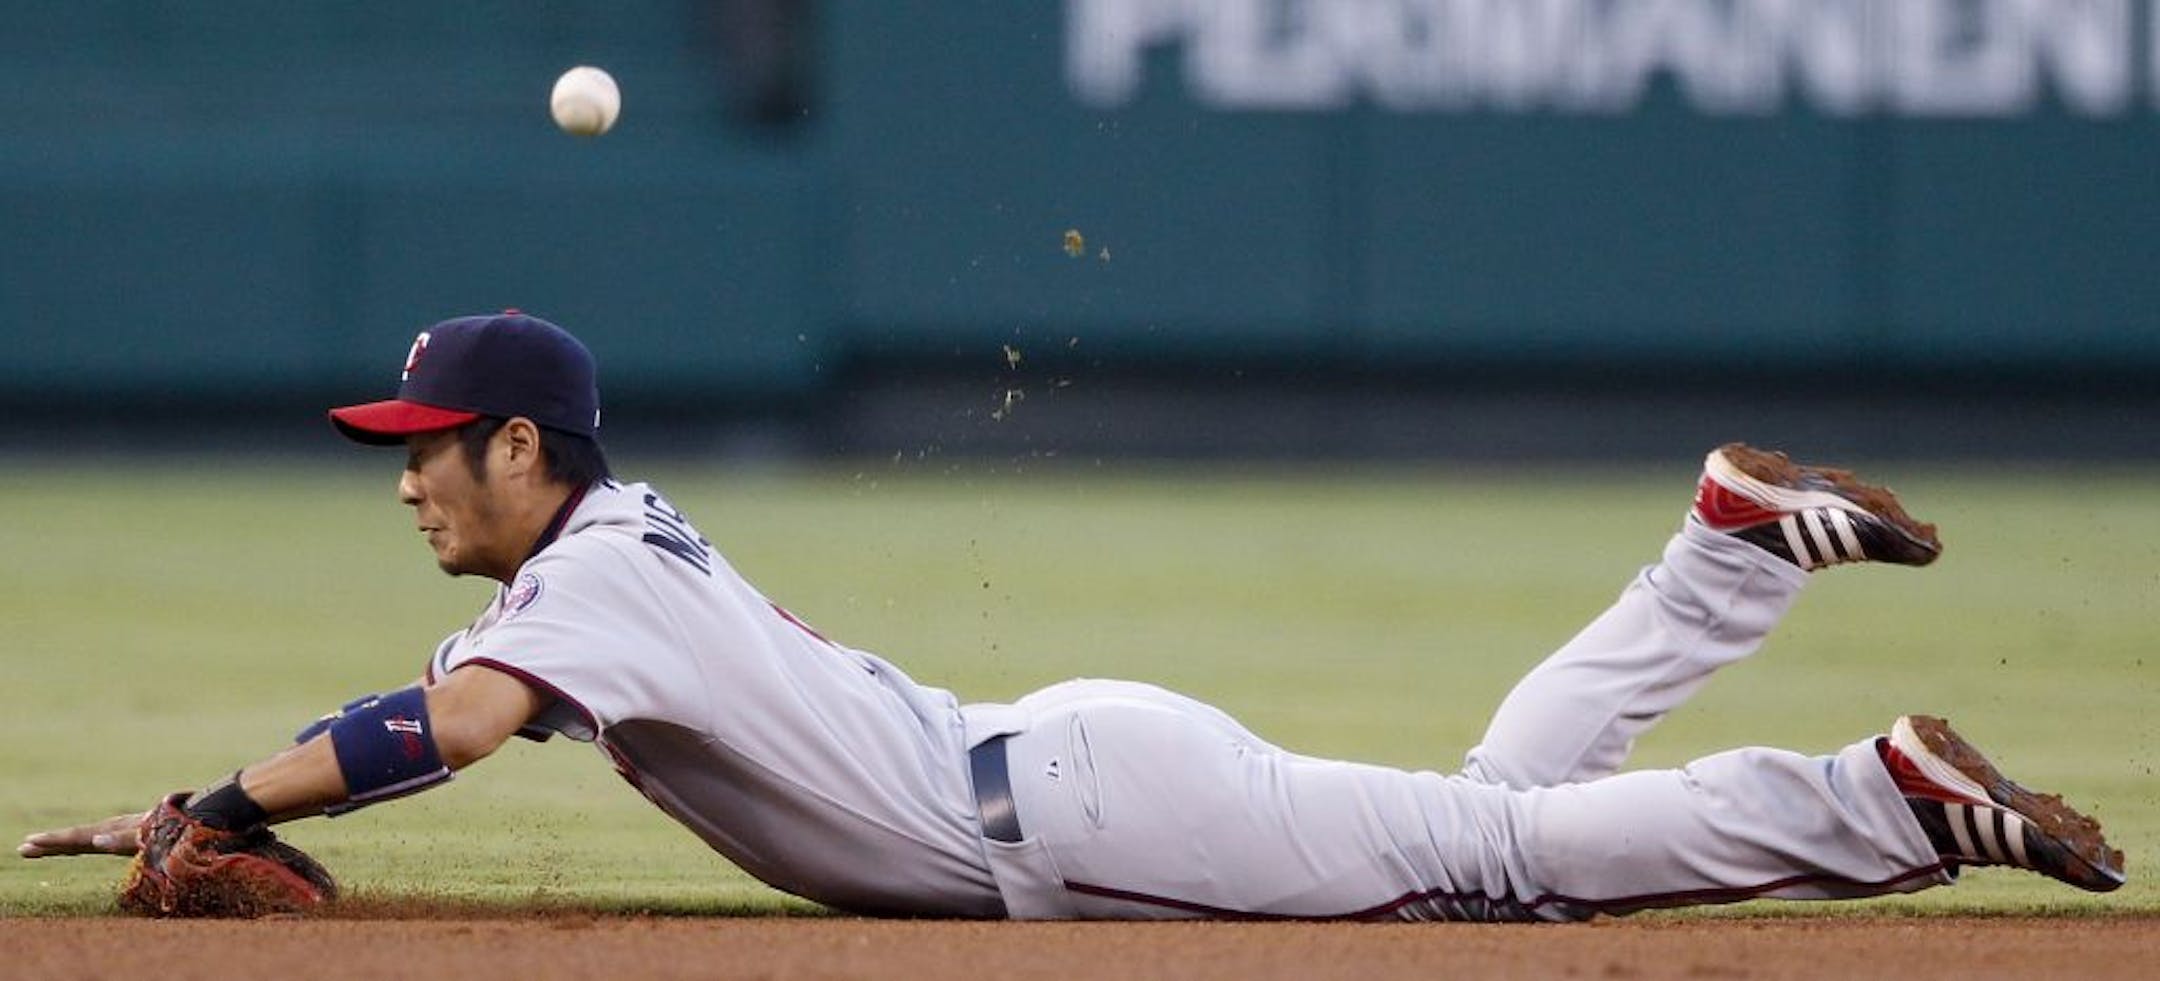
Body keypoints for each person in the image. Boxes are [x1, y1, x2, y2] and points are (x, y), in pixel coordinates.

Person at [19, 312, 2125, 920]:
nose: (400, 475)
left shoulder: (583, 591)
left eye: (424, 443)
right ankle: (1732, 554)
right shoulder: (612, 551)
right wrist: (222, 795)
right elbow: (466, 700)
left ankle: (1881, 791)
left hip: (1085, 808)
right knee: (1487, 817)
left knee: (1503, 860)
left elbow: (445, 728)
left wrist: (210, 794)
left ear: (515, 444)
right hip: (1084, 774)